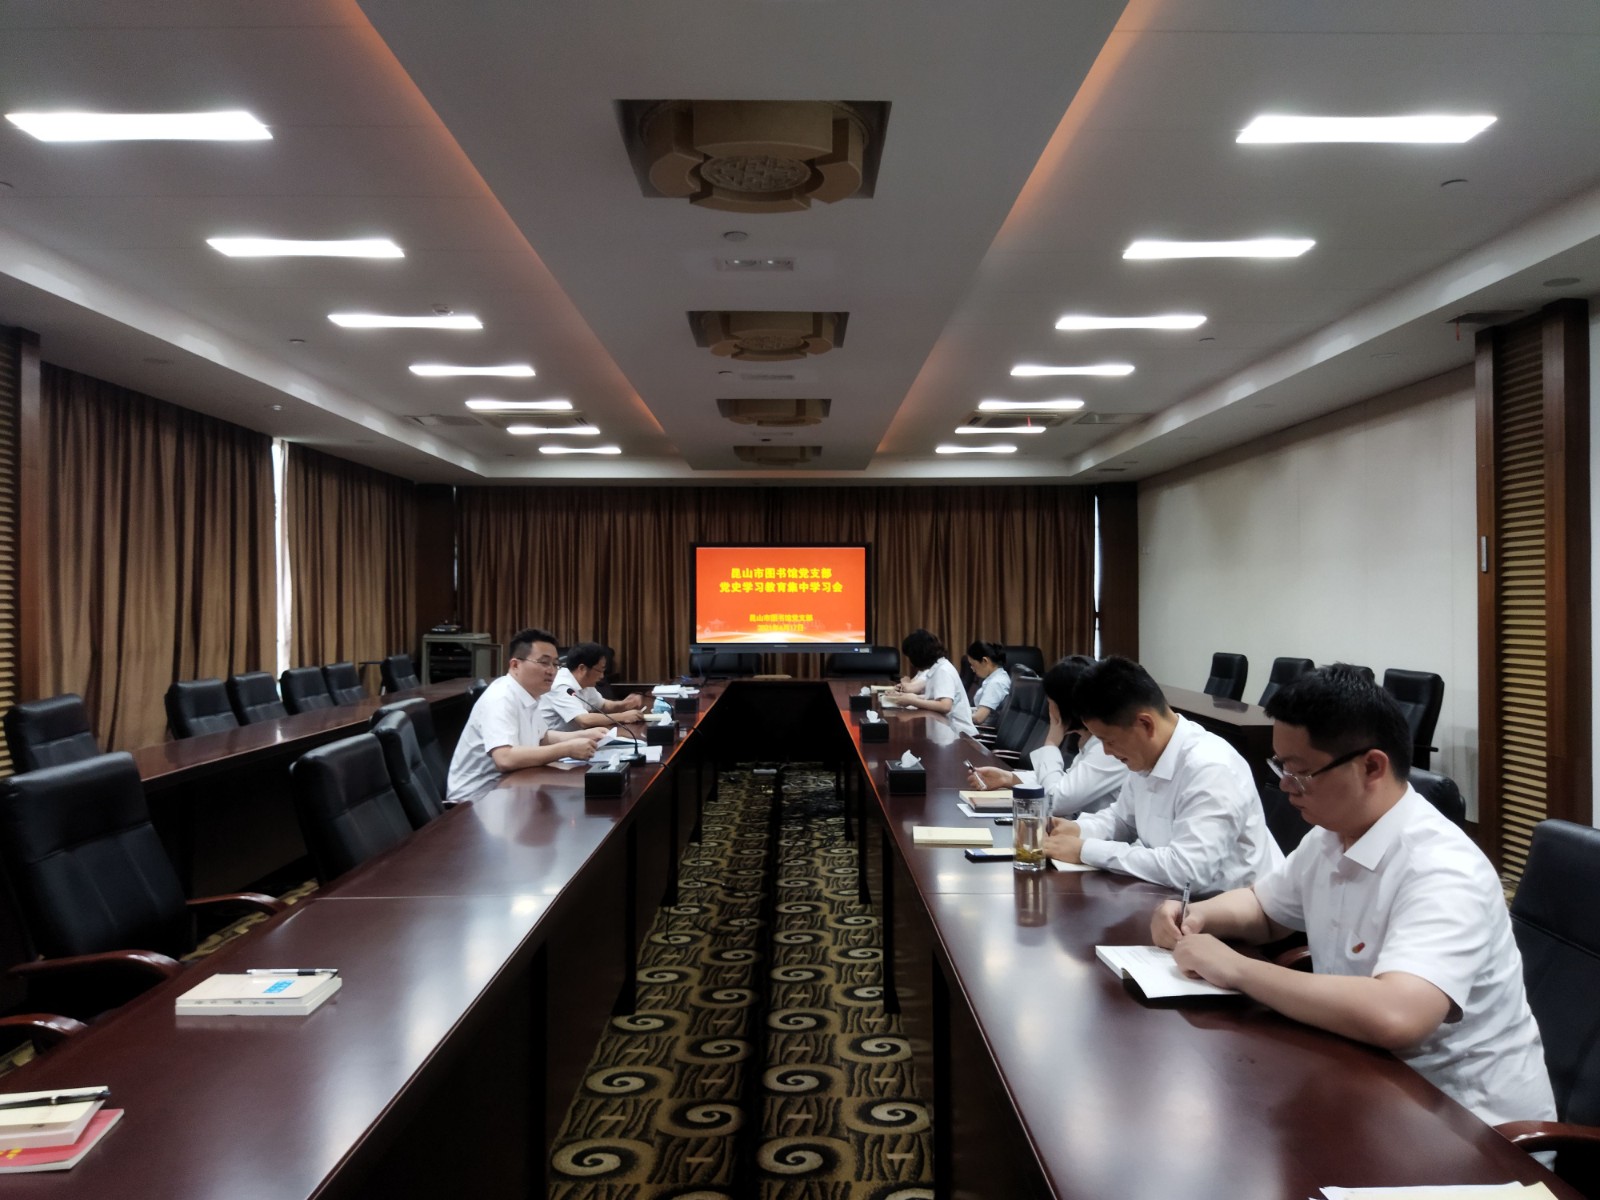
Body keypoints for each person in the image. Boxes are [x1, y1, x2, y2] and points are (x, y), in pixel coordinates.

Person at [1152, 665, 1555, 1128]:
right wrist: (1193, 914)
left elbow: (1398, 1015)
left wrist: (1238, 969)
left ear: (1371, 767)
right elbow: (1266, 909)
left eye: (1301, 772)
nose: (1285, 786)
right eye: (1281, 767)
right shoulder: (1332, 835)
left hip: (1467, 1123)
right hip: (1366, 1079)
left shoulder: (1442, 867)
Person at [1042, 656, 1281, 890]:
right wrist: (1079, 829)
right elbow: (1122, 820)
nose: (1106, 751)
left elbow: (1188, 872)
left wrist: (1086, 850)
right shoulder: (1146, 755)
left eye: (1109, 740)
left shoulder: (1210, 768)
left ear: (1145, 724)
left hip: (1234, 907)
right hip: (1173, 898)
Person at [445, 627, 609, 802]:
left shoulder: (530, 694)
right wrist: (567, 749)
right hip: (476, 799)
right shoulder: (501, 697)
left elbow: (542, 738)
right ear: (515, 665)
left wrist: (584, 735)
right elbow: (505, 758)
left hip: (511, 786)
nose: (552, 671)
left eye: (555, 664)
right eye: (544, 662)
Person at [966, 655, 1126, 818]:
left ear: (1064, 706)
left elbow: (1055, 802)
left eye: (1050, 702)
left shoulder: (1108, 748)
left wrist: (1051, 743)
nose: (1049, 709)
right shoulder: (1090, 740)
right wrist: (1006, 777)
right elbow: (1067, 781)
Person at [883, 629, 977, 736]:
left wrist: (912, 701)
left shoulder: (943, 670)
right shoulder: (937, 668)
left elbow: (945, 706)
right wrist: (909, 697)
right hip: (946, 728)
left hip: (960, 734)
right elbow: (935, 698)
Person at [537, 641, 646, 733]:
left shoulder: (585, 682)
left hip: (577, 738)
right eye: (600, 670)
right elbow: (584, 720)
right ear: (582, 668)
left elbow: (603, 705)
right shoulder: (561, 686)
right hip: (554, 743)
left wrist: (624, 704)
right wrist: (623, 716)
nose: (602, 676)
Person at [965, 640, 1011, 725]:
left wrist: (956, 715)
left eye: (973, 664)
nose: (972, 669)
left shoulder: (996, 683)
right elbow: (979, 709)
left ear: (984, 661)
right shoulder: (997, 677)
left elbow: (979, 718)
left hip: (982, 730)